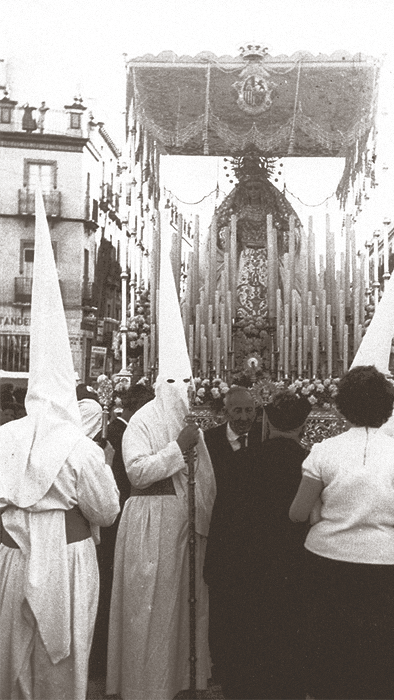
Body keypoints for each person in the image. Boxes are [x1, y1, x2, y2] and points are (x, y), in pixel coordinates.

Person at [0, 188, 120, 700]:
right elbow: (107, 510)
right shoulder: (80, 447)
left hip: (10, 556)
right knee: (62, 664)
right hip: (67, 559)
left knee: (12, 658)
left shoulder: (4, 436)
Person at [289, 365, 394, 700]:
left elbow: (297, 514)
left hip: (326, 560)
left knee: (328, 651)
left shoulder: (323, 451)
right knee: (375, 656)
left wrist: (323, 511)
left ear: (342, 406)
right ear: (387, 406)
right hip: (383, 564)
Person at [107, 374, 216, 700]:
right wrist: (177, 448)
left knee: (180, 609)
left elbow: (207, 477)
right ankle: (145, 686)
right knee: (150, 608)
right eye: (177, 381)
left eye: (188, 381)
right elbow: (137, 471)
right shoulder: (142, 422)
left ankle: (180, 681)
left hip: (184, 528)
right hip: (152, 527)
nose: (185, 389)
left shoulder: (187, 421)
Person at [244, 391, 312, 700]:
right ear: (303, 426)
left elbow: (228, 515)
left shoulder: (244, 458)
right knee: (291, 629)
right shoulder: (309, 463)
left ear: (268, 421)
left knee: (255, 629)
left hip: (251, 559)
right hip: (295, 561)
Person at [89, 382, 154, 680]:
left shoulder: (116, 430)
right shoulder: (120, 432)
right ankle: (104, 661)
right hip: (115, 520)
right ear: (139, 408)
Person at [203, 385, 262, 700]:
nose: (244, 418)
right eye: (237, 411)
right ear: (224, 413)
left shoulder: (263, 440)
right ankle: (221, 667)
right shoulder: (209, 442)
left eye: (249, 411)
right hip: (220, 537)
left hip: (253, 541)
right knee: (221, 607)